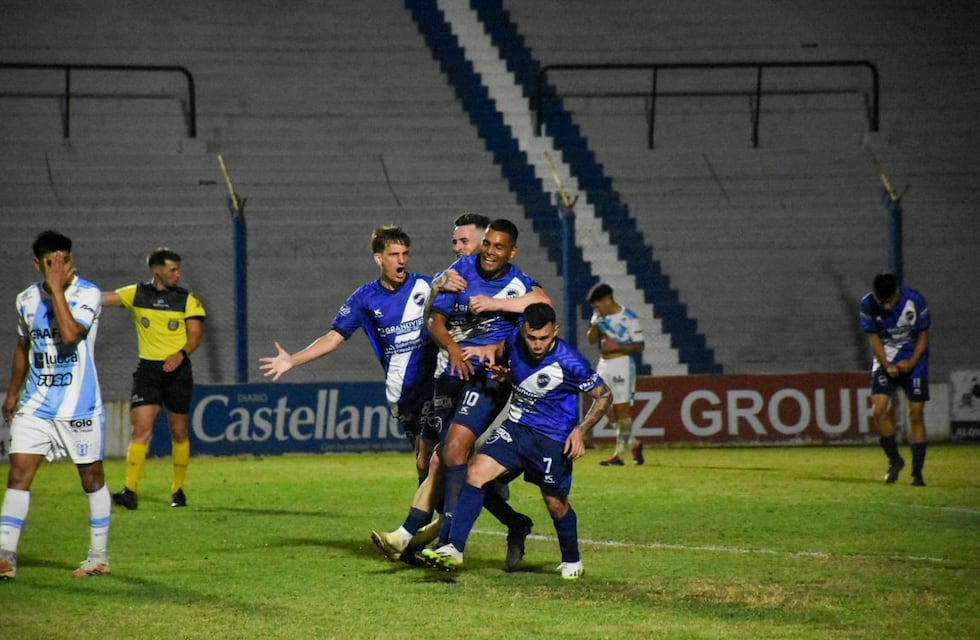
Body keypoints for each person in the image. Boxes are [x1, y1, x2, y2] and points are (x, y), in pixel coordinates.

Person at [371, 218, 548, 571]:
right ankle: (437, 533)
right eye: (458, 243)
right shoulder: (456, 273)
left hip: (485, 382)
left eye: (464, 240)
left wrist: (498, 339)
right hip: (446, 378)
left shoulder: (517, 283)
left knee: (456, 457)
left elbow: (543, 307)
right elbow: (432, 318)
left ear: (503, 247)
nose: (459, 248)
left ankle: (430, 537)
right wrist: (449, 335)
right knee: (432, 460)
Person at [418, 302, 612, 579]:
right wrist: (506, 374)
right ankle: (454, 549)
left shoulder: (571, 362)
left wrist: (581, 430)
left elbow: (604, 395)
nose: (536, 344)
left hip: (551, 440)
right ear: (523, 331)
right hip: (516, 428)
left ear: (554, 331)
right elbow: (507, 359)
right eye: (531, 338)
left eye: (543, 338)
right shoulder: (513, 342)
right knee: (474, 473)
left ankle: (571, 559)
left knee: (555, 504)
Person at [259, 226, 439, 483]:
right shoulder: (364, 299)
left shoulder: (426, 285)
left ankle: (434, 520)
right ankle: (442, 516)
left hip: (436, 386)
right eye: (393, 254)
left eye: (405, 253)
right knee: (425, 462)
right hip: (403, 393)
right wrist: (293, 359)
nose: (401, 260)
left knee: (440, 457)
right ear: (379, 258)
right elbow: (332, 339)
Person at [0, 230, 111, 579]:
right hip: (36, 405)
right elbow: (23, 347)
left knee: (91, 478)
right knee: (18, 475)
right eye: (52, 262)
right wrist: (13, 392)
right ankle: (5, 556)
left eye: (66, 260)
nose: (61, 267)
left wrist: (57, 290)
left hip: (79, 407)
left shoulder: (88, 294)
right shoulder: (25, 300)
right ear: (38, 264)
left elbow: (70, 333)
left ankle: (98, 557)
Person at [103, 248, 206, 510]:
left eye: (178, 269)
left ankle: (178, 489)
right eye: (173, 269)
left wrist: (181, 354)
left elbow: (195, 335)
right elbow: (102, 299)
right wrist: (68, 291)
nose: (178, 274)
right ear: (156, 271)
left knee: (179, 432)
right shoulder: (136, 294)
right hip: (148, 372)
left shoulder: (187, 300)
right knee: (141, 431)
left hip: (178, 371)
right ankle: (130, 491)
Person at [860, 272, 931, 486]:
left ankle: (917, 473)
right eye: (883, 302)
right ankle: (895, 460)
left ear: (897, 292)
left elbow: (923, 338)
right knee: (878, 409)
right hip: (886, 357)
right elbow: (874, 340)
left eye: (890, 301)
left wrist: (909, 363)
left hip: (914, 359)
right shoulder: (868, 304)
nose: (887, 307)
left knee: (916, 413)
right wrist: (888, 365)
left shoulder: (915, 301)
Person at [586, 283, 645, 466]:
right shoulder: (598, 316)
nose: (595, 309)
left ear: (607, 300)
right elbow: (591, 340)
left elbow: (639, 345)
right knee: (601, 403)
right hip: (603, 363)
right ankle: (633, 442)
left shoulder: (629, 318)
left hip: (622, 363)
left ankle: (619, 455)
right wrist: (595, 327)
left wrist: (618, 346)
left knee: (621, 408)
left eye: (597, 305)